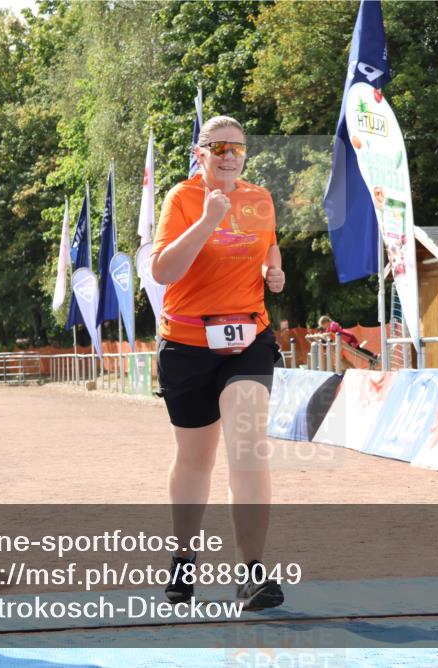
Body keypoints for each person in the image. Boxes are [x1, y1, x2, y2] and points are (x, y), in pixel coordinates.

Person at [150, 115, 285, 610]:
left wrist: (275, 271)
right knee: (195, 458)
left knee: (248, 446)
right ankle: (184, 558)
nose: (229, 155)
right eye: (219, 147)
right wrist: (208, 220)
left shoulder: (261, 199)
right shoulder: (181, 199)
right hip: (187, 342)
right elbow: (163, 270)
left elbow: (269, 248)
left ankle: (252, 572)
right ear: (199, 152)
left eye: (237, 148)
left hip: (248, 336)